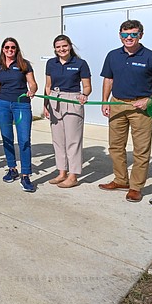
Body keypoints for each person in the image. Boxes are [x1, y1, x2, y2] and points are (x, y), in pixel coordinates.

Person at [100, 19, 152, 203]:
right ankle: (121, 180)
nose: (129, 38)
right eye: (125, 34)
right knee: (115, 146)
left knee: (141, 149)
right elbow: (108, 79)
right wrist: (105, 101)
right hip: (117, 104)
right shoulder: (113, 55)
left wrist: (149, 100)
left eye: (133, 34)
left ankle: (135, 187)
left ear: (140, 35)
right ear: (120, 35)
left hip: (140, 109)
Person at [43, 34, 92, 189]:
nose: (61, 49)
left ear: (70, 46)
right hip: (55, 99)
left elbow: (87, 86)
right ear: (55, 49)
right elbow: (48, 86)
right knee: (58, 140)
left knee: (73, 140)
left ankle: (73, 175)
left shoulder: (80, 63)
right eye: (58, 47)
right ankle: (62, 172)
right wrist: (46, 104)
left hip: (72, 99)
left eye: (64, 46)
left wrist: (84, 95)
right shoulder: (51, 63)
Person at [0, 37, 38, 192]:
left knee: (24, 140)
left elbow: (32, 83)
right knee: (7, 138)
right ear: (3, 49)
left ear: (16, 49)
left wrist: (32, 90)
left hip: (21, 105)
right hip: (3, 105)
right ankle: (12, 168)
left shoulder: (24, 64)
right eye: (7, 48)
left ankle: (26, 175)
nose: (10, 50)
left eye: (12, 48)